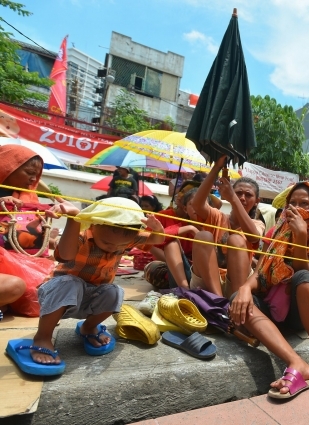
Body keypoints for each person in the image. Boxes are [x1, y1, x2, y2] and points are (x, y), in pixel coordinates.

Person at [229, 181, 309, 399]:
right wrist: (244, 289)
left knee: (303, 277)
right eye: (292, 203)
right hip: (272, 306)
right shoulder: (276, 230)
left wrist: (299, 236)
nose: (296, 208)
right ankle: (296, 363)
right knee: (237, 297)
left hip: (299, 311)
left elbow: (304, 268)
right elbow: (259, 273)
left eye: (304, 203)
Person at [27, 197, 164, 368]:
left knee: (115, 291)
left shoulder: (129, 237)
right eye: (107, 242)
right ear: (94, 224)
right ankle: (43, 337)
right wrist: (74, 219)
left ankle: (89, 327)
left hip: (90, 298)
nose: (113, 248)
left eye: (120, 245)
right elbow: (66, 255)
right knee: (71, 283)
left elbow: (157, 240)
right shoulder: (84, 235)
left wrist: (158, 228)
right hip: (58, 295)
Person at [191, 157, 265, 297]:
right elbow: (197, 205)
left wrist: (233, 198)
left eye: (248, 195)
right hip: (209, 282)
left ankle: (235, 302)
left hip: (237, 285)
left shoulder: (257, 224)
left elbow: (253, 237)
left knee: (236, 240)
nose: (242, 198)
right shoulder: (218, 216)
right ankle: (219, 303)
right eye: (238, 193)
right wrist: (217, 167)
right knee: (203, 236)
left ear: (257, 202)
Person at [0, 145, 45, 318]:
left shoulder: (26, 198)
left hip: (12, 266)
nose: (34, 179)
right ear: (8, 166)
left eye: (37, 174)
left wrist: (49, 239)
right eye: (29, 172)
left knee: (40, 295)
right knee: (16, 287)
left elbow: (28, 238)